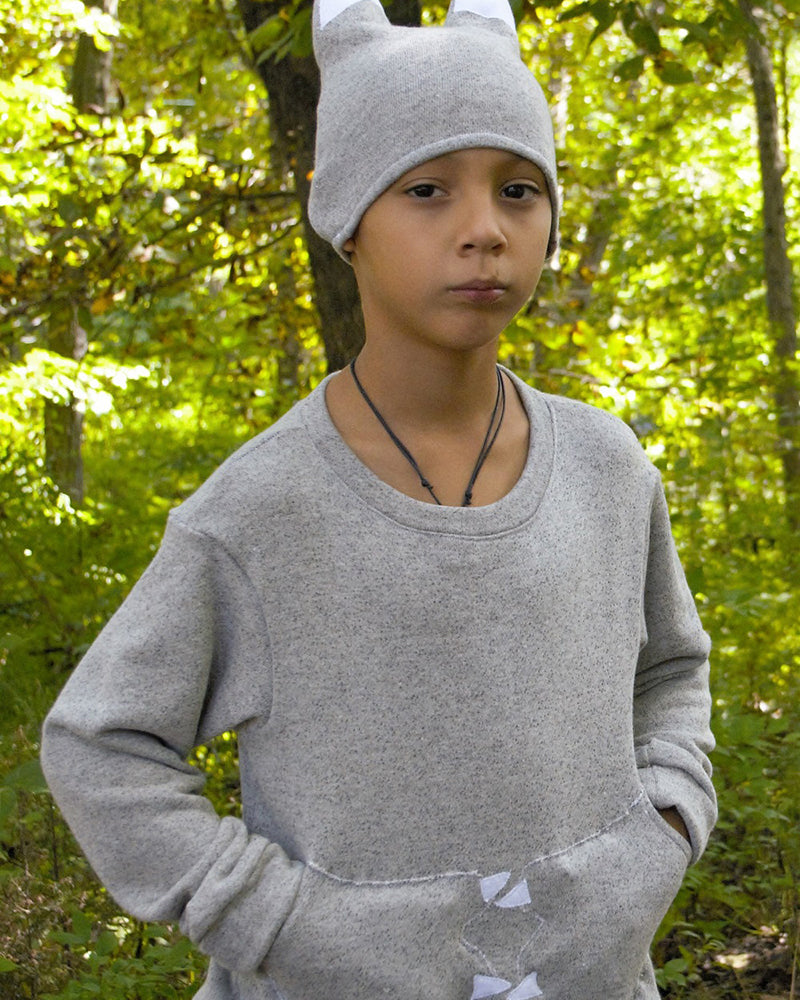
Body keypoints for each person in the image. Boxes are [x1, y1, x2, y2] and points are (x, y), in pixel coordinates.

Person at [41, 0, 716, 997]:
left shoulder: (605, 468)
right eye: (427, 189)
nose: (483, 230)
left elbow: (671, 670)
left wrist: (664, 820)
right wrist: (276, 917)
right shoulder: (262, 510)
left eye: (519, 189)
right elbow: (101, 746)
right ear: (345, 217)